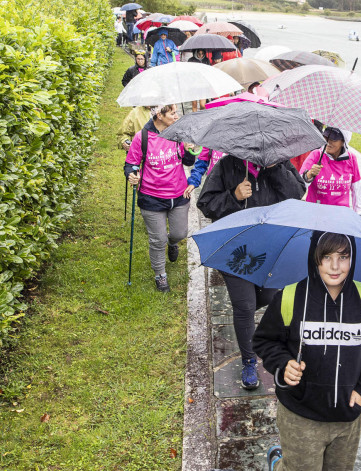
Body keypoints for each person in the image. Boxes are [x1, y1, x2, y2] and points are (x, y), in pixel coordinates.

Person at [254, 231, 361, 471]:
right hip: (300, 415)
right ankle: (280, 464)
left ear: (353, 258)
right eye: (326, 257)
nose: (335, 266)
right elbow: (265, 341)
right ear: (314, 258)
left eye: (343, 256)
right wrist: (284, 364)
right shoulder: (290, 297)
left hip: (347, 417)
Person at [197, 155, 306, 390]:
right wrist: (234, 196)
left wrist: (275, 169)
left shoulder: (281, 164)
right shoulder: (227, 165)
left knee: (269, 297)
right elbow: (205, 203)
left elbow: (297, 194)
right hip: (235, 249)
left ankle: (241, 314)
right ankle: (249, 361)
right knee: (245, 305)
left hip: (269, 248)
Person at [125, 104, 204, 292]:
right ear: (159, 115)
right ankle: (160, 275)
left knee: (179, 233)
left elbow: (187, 161)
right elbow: (130, 164)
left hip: (178, 194)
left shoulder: (178, 134)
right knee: (157, 239)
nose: (177, 116)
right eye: (173, 113)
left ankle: (172, 243)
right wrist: (131, 174)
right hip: (151, 197)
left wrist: (189, 149)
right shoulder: (142, 137)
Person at [299, 127, 361, 216]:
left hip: (341, 216)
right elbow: (299, 185)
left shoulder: (351, 158)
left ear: (343, 142)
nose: (328, 142)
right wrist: (309, 174)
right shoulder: (316, 155)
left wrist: (360, 213)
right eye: (326, 138)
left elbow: (357, 187)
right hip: (315, 214)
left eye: (333, 139)